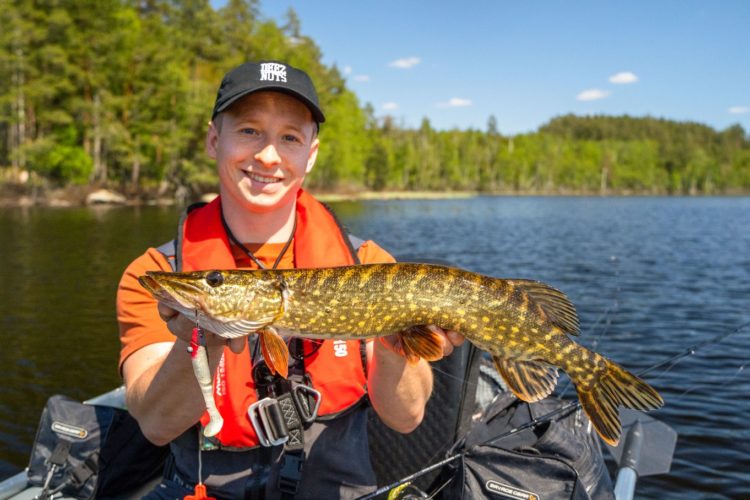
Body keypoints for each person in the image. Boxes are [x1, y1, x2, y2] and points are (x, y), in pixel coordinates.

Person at [116, 60, 465, 499]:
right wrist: (206, 339)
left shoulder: (369, 263)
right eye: (248, 131)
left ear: (310, 154)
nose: (268, 155)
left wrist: (396, 344)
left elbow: (407, 417)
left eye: (289, 138)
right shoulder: (157, 273)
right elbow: (154, 424)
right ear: (213, 139)